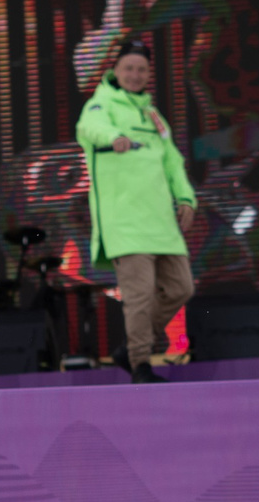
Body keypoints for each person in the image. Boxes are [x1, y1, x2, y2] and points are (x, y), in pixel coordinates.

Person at [76, 39, 196, 383]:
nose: (135, 74)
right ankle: (140, 363)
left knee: (180, 288)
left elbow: (173, 161)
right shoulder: (101, 104)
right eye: (129, 67)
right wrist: (113, 135)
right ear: (115, 69)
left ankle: (130, 347)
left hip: (161, 221)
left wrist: (187, 198)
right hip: (124, 221)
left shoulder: (153, 115)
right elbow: (88, 128)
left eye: (141, 69)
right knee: (140, 296)